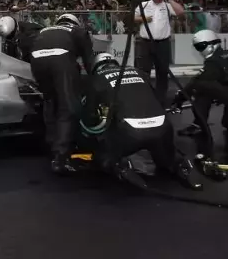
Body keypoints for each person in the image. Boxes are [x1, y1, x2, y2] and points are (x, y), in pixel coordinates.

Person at [85, 52, 202, 190]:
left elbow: (89, 114)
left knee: (101, 152)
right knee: (166, 156)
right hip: (162, 128)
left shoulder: (97, 78)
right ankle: (179, 165)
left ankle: (120, 166)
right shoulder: (138, 72)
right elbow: (156, 97)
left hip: (130, 134)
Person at [27, 13, 94, 175]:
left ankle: (51, 143)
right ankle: (61, 156)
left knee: (50, 101)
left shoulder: (44, 30)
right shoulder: (78, 31)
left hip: (36, 61)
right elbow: (89, 61)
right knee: (68, 107)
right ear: (75, 23)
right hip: (60, 61)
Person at [175, 30, 228, 156]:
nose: (199, 50)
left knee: (201, 86)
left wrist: (180, 98)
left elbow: (196, 82)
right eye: (197, 47)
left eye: (201, 46)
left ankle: (198, 124)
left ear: (212, 44)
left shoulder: (213, 61)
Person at [133, 0, 185, 106]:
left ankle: (160, 100)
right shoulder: (144, 5)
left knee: (162, 72)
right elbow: (132, 17)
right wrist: (143, 19)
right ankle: (144, 97)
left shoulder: (167, 6)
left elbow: (181, 12)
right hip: (145, 43)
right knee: (143, 72)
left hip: (163, 43)